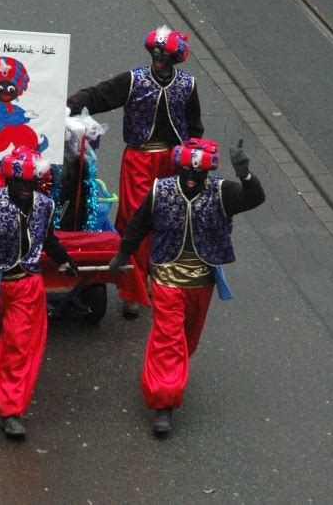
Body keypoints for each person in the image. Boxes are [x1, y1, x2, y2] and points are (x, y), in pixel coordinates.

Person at [108, 138, 265, 434]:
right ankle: (162, 405)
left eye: (198, 174)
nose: (191, 179)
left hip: (201, 281)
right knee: (168, 338)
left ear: (207, 174)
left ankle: (170, 374)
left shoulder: (221, 192)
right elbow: (139, 224)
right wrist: (123, 254)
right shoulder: (161, 191)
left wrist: (245, 174)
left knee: (186, 340)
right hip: (166, 277)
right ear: (179, 168)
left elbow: (254, 199)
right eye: (187, 173)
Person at [67, 25, 204, 318]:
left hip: (172, 162)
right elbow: (99, 95)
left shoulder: (187, 86)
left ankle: (158, 277)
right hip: (139, 160)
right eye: (154, 52)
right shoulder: (134, 81)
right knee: (135, 220)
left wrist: (196, 160)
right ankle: (132, 290)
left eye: (163, 54)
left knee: (168, 221)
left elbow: (195, 129)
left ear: (173, 59)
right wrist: (70, 105)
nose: (157, 57)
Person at [0, 147, 78, 438]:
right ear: (8, 180)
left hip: (26, 285)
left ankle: (9, 411)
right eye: (18, 183)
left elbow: (48, 239)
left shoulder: (45, 205)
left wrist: (65, 261)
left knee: (18, 347)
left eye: (29, 183)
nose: (24, 189)